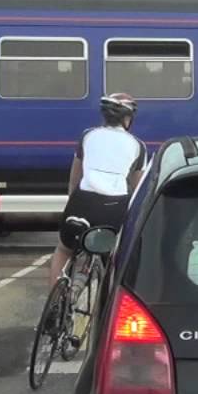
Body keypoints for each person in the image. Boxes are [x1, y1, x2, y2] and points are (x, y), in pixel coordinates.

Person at [49, 92, 146, 282]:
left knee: (63, 249)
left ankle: (53, 305)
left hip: (82, 201)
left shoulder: (88, 136)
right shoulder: (138, 146)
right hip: (114, 206)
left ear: (105, 116)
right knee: (113, 256)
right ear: (128, 118)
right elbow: (137, 192)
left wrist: (73, 204)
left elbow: (74, 179)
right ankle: (105, 303)